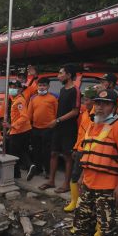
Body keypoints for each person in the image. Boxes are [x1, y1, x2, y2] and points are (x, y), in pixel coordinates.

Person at [64, 92, 118, 236]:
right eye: (98, 103)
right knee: (82, 220)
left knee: (108, 225)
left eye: (105, 103)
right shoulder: (93, 125)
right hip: (88, 183)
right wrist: (81, 177)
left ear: (114, 107)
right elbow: (89, 153)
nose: (100, 107)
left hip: (108, 186)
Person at [40, 65, 80, 194]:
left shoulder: (75, 90)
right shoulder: (63, 90)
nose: (58, 76)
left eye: (61, 73)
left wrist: (58, 120)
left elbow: (75, 111)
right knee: (54, 153)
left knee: (68, 156)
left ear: (68, 75)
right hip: (58, 128)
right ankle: (51, 180)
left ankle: (66, 184)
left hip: (68, 128)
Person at [64, 86, 96, 213]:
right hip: (80, 149)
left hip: (90, 151)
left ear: (94, 101)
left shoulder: (96, 116)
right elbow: (81, 133)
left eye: (87, 100)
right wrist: (75, 148)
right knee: (75, 176)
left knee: (85, 179)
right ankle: (74, 201)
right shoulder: (85, 114)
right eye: (84, 99)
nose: (84, 102)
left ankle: (83, 203)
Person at [26, 77, 58, 181]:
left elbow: (57, 113)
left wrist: (55, 123)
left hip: (48, 128)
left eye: (44, 85)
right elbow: (29, 114)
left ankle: (48, 171)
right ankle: (38, 169)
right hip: (35, 128)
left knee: (46, 151)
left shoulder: (53, 98)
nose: (42, 87)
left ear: (48, 86)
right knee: (36, 150)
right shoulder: (33, 98)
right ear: (37, 86)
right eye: (40, 85)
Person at [3, 80, 31, 179]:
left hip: (19, 130)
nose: (12, 89)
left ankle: (26, 167)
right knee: (20, 151)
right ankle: (20, 171)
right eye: (10, 87)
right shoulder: (14, 99)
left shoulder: (19, 101)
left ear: (20, 89)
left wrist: (11, 126)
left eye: (14, 87)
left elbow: (24, 117)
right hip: (17, 130)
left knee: (14, 152)